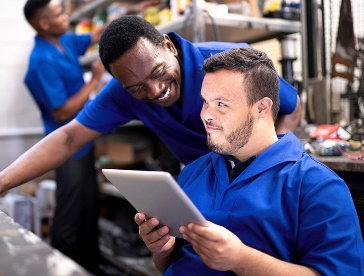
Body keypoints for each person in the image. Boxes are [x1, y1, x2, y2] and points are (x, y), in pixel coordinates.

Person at [0, 14, 299, 266]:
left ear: (168, 45)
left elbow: (290, 106)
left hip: (258, 182)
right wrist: (3, 182)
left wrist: (270, 168)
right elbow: (68, 138)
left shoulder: (226, 66)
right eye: (137, 87)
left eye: (158, 72)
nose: (155, 90)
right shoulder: (124, 93)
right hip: (201, 187)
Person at [134, 47, 364, 275]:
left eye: (221, 104)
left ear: (261, 107)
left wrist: (239, 259)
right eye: (205, 102)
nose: (206, 115)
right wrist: (162, 250)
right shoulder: (192, 173)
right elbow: (169, 265)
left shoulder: (318, 187)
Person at [22, 1, 157, 273]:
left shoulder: (65, 42)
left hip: (84, 144)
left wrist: (130, 12)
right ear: (44, 24)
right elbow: (62, 113)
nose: (66, 15)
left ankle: (87, 265)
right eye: (59, 13)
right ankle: (62, 267)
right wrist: (94, 80)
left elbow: (97, 34)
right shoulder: (41, 61)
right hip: (66, 147)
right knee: (70, 215)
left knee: (87, 208)